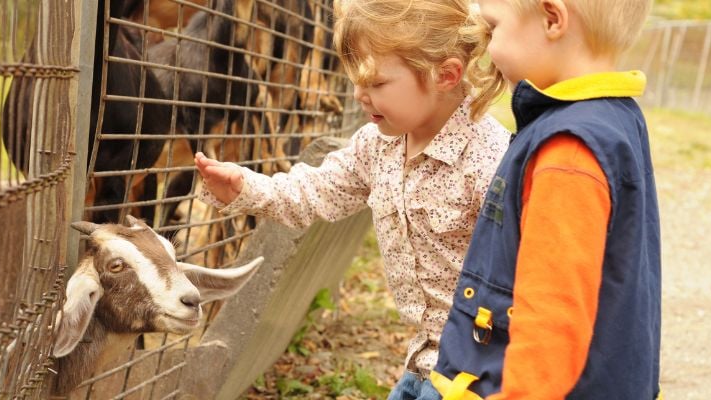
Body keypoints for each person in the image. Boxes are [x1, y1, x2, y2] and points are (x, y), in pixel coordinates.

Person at [195, 0, 510, 398]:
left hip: (475, 368)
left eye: (376, 84)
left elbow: (524, 270)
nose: (359, 95)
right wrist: (247, 188)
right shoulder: (377, 146)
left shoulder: (490, 161)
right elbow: (315, 191)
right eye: (356, 81)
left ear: (445, 75)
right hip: (424, 357)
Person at [430, 0, 661, 399]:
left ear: (552, 19)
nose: (487, 46)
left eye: (494, 27)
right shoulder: (615, 117)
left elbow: (552, 318)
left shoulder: (568, 152)